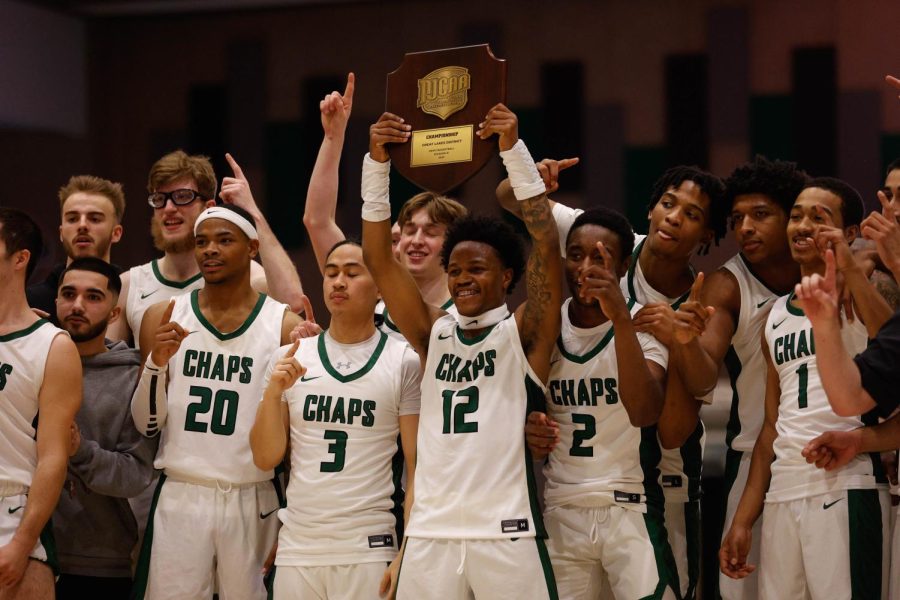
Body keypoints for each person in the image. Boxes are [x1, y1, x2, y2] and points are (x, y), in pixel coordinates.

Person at [501, 163, 728, 600]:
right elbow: (513, 199)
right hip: (567, 496)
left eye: (693, 215)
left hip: (654, 484)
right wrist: (531, 178)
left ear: (706, 236)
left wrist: (679, 340)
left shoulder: (688, 302)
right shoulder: (599, 237)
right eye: (668, 204)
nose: (675, 217)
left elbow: (688, 398)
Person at [362, 104, 561, 598]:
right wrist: (377, 163)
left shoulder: (524, 333)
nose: (463, 278)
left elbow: (546, 242)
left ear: (508, 277)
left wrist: (513, 151)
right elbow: (377, 260)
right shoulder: (433, 333)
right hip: (430, 528)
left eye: (478, 269)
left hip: (506, 528)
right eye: (455, 269)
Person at [719, 178, 891, 599]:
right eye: (796, 215)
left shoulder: (866, 292)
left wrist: (853, 266)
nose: (802, 225)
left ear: (849, 233)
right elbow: (771, 428)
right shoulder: (774, 315)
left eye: (819, 217)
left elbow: (893, 339)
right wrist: (742, 519)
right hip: (783, 490)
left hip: (847, 484)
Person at [130, 204, 301, 600]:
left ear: (253, 247)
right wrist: (156, 362)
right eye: (202, 242)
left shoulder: (284, 326)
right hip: (182, 492)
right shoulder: (165, 315)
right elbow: (145, 425)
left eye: (224, 240)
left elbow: (295, 441)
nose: (210, 250)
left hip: (253, 494)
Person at [667, 156, 807, 599]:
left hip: (835, 454)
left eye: (760, 215)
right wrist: (687, 342)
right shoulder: (726, 285)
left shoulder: (837, 272)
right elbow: (704, 376)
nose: (745, 227)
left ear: (792, 218)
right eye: (737, 219)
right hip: (755, 461)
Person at [250, 239, 421, 599]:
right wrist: (273, 393)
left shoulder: (402, 360)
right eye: (331, 273)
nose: (338, 282)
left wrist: (406, 551)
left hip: (369, 546)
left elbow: (419, 467)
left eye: (352, 273)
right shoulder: (291, 356)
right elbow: (266, 459)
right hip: (299, 547)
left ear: (379, 288)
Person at [526, 207, 678, 598]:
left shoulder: (645, 322)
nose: (586, 267)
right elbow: (516, 407)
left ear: (624, 266)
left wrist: (621, 319)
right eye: (576, 255)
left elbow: (645, 411)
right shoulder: (545, 327)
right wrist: (530, 428)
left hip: (631, 505)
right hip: (562, 507)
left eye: (600, 257)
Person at [302, 73, 467, 340]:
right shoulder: (367, 292)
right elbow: (317, 221)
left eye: (431, 232)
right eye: (409, 231)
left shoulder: (468, 313)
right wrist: (334, 137)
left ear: (456, 246)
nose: (415, 240)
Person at [108, 150, 309, 348]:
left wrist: (252, 212)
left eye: (182, 196)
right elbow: (113, 367)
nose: (168, 208)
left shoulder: (241, 275)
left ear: (209, 207)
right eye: (159, 199)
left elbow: (292, 301)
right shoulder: (129, 284)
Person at [51, 257, 157, 598]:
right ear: (55, 301)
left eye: (93, 297)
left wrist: (80, 450)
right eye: (68, 294)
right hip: (24, 549)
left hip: (100, 565)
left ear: (114, 314)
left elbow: (135, 475)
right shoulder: (29, 360)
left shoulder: (133, 380)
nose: (77, 305)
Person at [0, 207, 82, 598]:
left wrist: (22, 542)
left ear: (20, 258)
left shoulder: (52, 345)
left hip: (12, 511)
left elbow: (53, 457)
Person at [27, 175, 125, 319]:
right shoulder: (29, 302)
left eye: (95, 219)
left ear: (116, 233)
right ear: (61, 232)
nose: (82, 225)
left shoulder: (130, 298)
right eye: (72, 219)